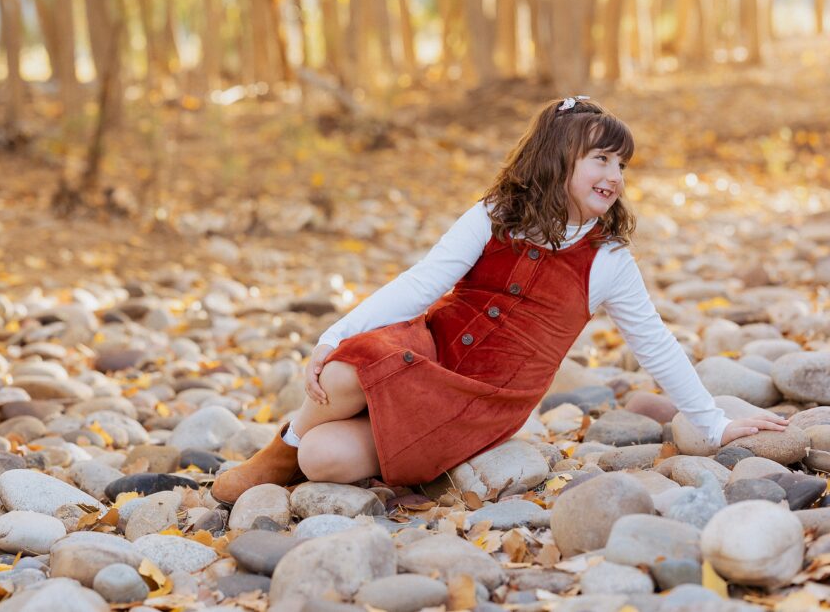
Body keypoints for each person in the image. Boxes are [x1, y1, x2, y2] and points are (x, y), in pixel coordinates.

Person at [211, 97, 788, 503]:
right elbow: (424, 280)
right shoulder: (495, 216)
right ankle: (282, 450)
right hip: (430, 347)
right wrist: (333, 336)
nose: (614, 175)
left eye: (621, 164)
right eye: (601, 159)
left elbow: (654, 342)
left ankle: (309, 450)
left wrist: (710, 422)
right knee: (341, 373)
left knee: (327, 461)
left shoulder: (608, 260)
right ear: (558, 159)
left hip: (479, 399)